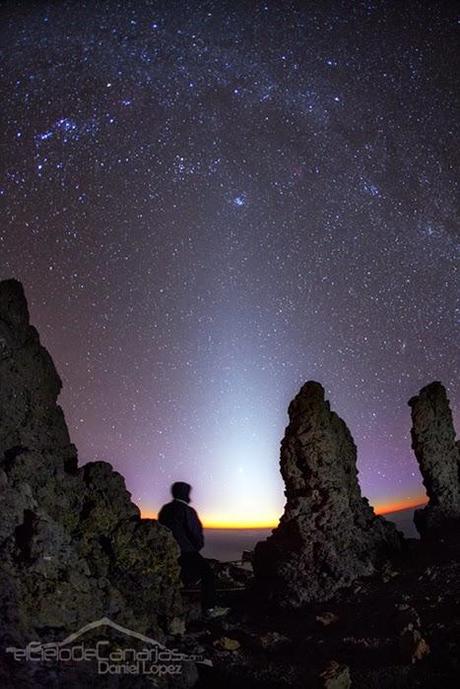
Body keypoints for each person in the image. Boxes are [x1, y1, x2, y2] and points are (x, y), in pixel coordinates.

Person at [158, 481, 229, 619]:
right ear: (186, 494)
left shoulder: (166, 509)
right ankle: (210, 609)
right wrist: (194, 548)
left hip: (167, 551)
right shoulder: (187, 510)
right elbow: (195, 533)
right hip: (186, 551)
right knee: (208, 574)